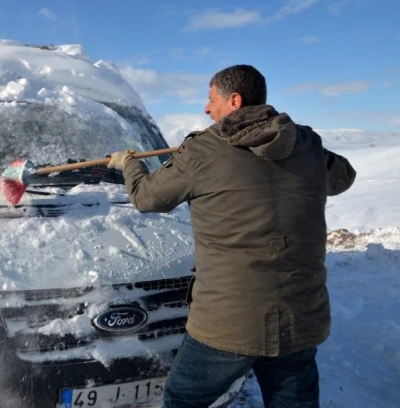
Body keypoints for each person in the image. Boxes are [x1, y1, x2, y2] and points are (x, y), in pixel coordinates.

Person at [107, 65, 356, 408]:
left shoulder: (201, 151)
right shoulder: (306, 144)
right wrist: (309, 148)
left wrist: (129, 163)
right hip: (298, 319)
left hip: (228, 323)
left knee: (183, 398)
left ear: (234, 101)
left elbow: (147, 198)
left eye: (211, 99)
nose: (207, 108)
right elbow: (344, 177)